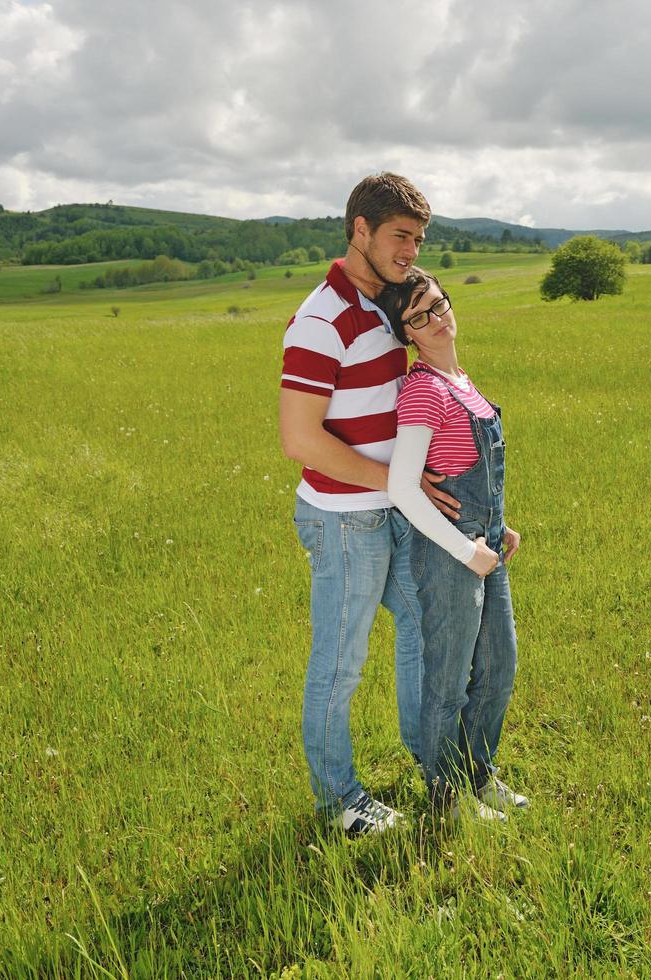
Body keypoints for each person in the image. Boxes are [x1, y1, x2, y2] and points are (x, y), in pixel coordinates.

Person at [278, 173, 459, 835]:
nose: (412, 250)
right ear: (360, 229)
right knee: (341, 661)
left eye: (418, 238)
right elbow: (299, 438)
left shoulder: (390, 304)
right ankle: (339, 802)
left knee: (424, 628)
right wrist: (396, 487)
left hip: (392, 510)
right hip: (345, 519)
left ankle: (436, 762)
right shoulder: (322, 319)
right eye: (400, 236)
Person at [380, 267, 528, 824]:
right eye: (418, 316)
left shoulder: (461, 380)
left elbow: (472, 470)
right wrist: (466, 551)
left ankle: (477, 774)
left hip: (487, 545)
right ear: (408, 333)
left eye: (438, 305)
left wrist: (500, 527)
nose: (436, 319)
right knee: (446, 681)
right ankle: (446, 799)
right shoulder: (423, 390)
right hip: (449, 557)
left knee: (498, 667)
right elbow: (402, 487)